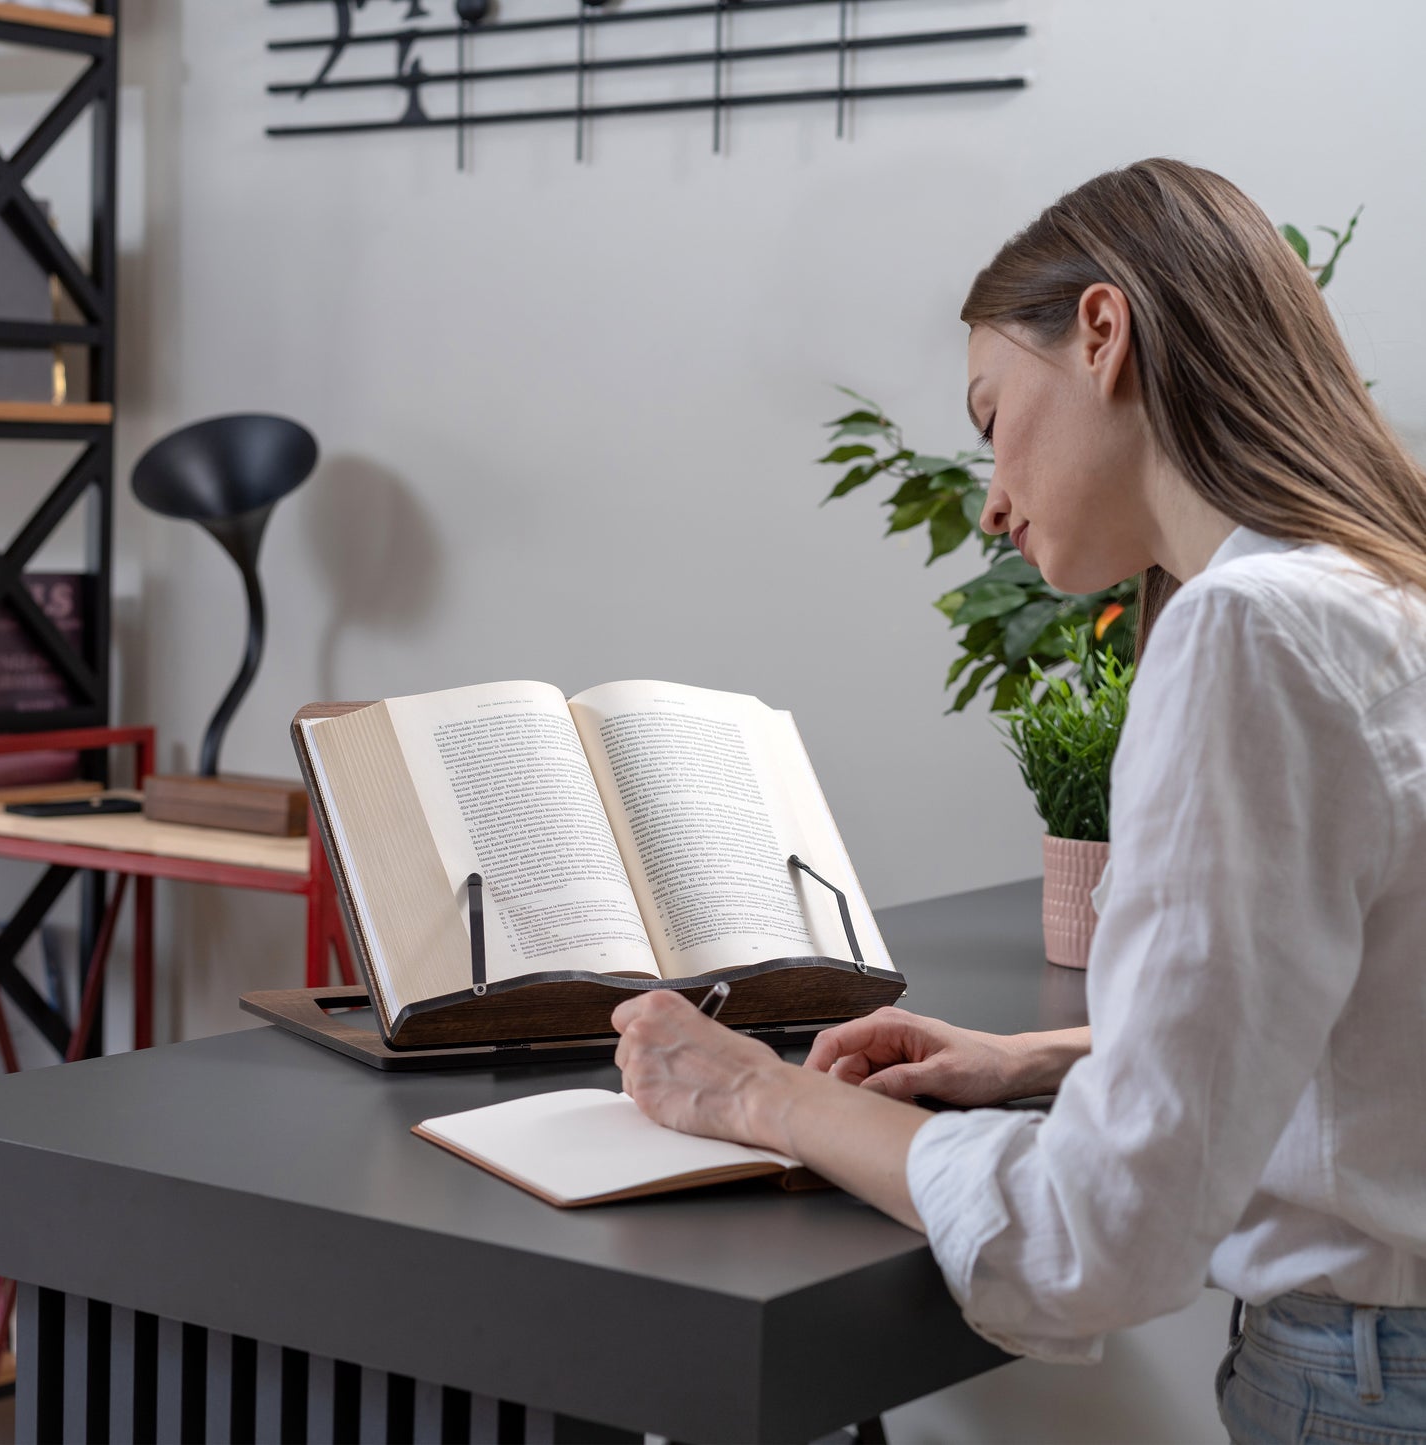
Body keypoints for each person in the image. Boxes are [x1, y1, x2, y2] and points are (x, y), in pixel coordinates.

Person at [611, 158, 1426, 1442]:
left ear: (1100, 333)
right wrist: (1042, 1057)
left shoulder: (1245, 630)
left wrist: (752, 1095)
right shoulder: (1385, 596)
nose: (990, 499)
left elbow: (1103, 1232)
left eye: (991, 417)